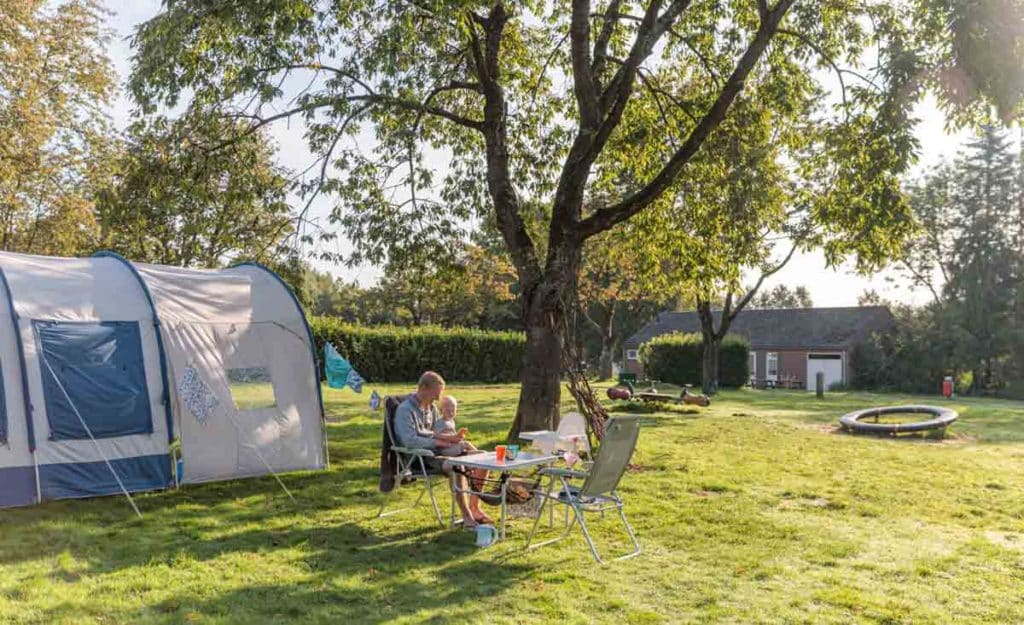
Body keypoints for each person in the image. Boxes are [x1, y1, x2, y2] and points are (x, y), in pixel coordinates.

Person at [393, 371, 492, 527]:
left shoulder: (430, 408)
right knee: (457, 466)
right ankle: (467, 518)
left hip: (440, 453)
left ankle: (474, 507)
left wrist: (451, 439)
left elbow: (434, 433)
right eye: (436, 394)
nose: (438, 399)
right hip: (421, 458)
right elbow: (409, 441)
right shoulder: (405, 410)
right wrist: (439, 443)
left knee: (484, 458)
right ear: (423, 388)